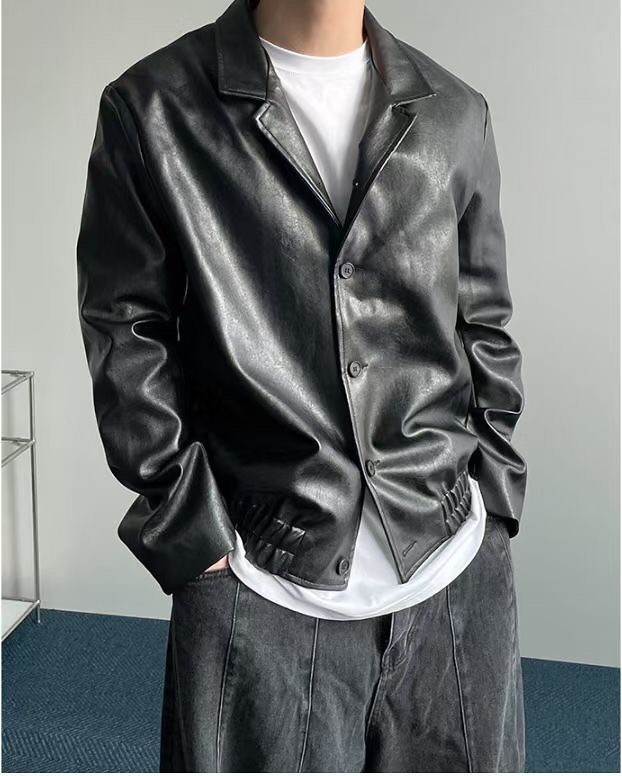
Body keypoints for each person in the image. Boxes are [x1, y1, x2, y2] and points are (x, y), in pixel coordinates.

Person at [76, 0, 527, 771]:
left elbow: (483, 321)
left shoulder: (454, 113)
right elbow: (125, 329)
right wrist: (191, 537)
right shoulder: (153, 109)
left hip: (453, 572)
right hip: (260, 585)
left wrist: (495, 502)